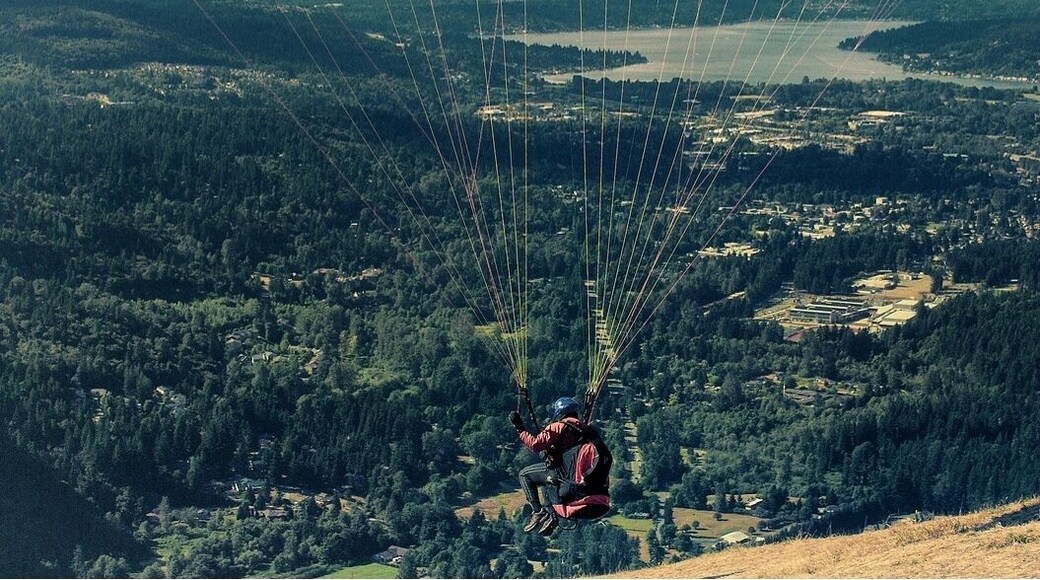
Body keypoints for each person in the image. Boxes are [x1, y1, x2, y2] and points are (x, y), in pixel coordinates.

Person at [509, 396, 588, 535]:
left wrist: (520, 429)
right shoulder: (584, 429)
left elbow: (535, 445)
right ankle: (552, 513)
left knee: (524, 474)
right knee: (546, 480)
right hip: (574, 476)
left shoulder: (558, 426)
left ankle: (538, 511)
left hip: (558, 471)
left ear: (560, 412)